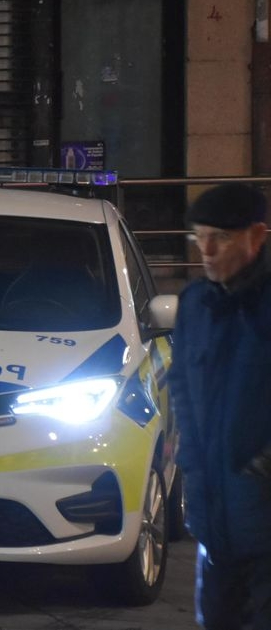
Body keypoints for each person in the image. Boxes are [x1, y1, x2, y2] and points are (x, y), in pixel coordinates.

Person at [168, 182, 271, 629]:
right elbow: (182, 387)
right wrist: (192, 463)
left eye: (221, 237)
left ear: (257, 235)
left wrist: (262, 468)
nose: (206, 251)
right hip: (215, 521)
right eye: (199, 237)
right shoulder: (196, 304)